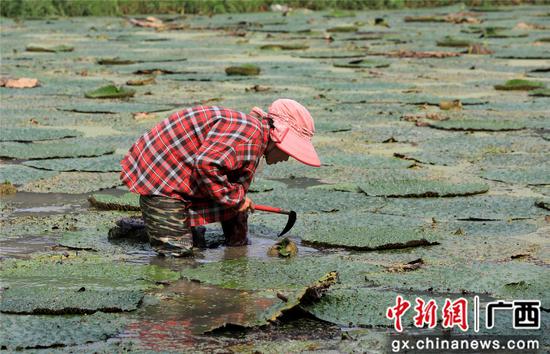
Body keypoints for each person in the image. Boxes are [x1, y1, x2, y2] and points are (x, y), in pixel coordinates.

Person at [120, 99, 320, 257]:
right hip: (162, 176)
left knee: (197, 240)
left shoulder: (255, 135)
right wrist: (236, 199)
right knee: (176, 255)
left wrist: (238, 245)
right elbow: (206, 165)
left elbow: (229, 191)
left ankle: (150, 230)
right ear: (278, 139)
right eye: (289, 152)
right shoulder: (249, 136)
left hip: (179, 172)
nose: (287, 158)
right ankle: (135, 234)